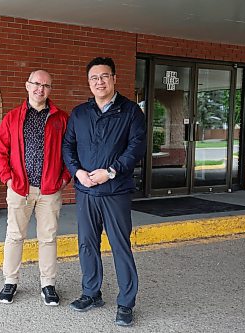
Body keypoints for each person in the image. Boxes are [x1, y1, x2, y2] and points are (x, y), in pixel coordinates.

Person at [62, 57, 146, 326]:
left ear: (114, 79)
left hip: (115, 191)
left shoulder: (131, 112)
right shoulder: (80, 113)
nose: (99, 82)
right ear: (89, 82)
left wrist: (110, 171)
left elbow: (136, 149)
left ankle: (126, 303)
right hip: (86, 191)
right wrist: (77, 172)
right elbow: (68, 146)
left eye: (104, 76)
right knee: (87, 244)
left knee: (120, 246)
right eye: (94, 78)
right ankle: (91, 292)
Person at [0, 70, 71, 306]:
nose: (40, 89)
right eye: (36, 84)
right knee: (14, 236)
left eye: (46, 85)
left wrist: (64, 179)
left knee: (48, 238)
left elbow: (71, 153)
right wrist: (8, 179)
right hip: (19, 188)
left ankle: (48, 284)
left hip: (49, 190)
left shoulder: (61, 118)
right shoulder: (12, 118)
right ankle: (10, 281)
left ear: (50, 89)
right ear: (27, 86)